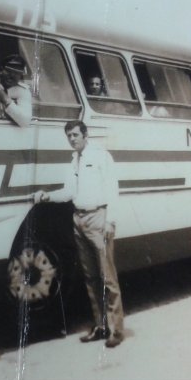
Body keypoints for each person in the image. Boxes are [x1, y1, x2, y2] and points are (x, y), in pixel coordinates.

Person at [33, 120, 125, 348]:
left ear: (85, 135)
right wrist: (48, 196)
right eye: (69, 136)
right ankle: (101, 326)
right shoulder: (74, 161)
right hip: (78, 219)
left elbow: (112, 188)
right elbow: (69, 192)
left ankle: (117, 329)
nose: (72, 139)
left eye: (75, 135)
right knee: (91, 277)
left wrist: (110, 220)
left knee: (108, 277)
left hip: (98, 218)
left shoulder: (101, 156)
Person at [0, 54, 32, 127]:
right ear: (1, 71)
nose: (12, 75)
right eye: (8, 71)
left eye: (16, 73)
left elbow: (25, 121)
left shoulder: (22, 91)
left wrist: (6, 100)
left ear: (20, 75)